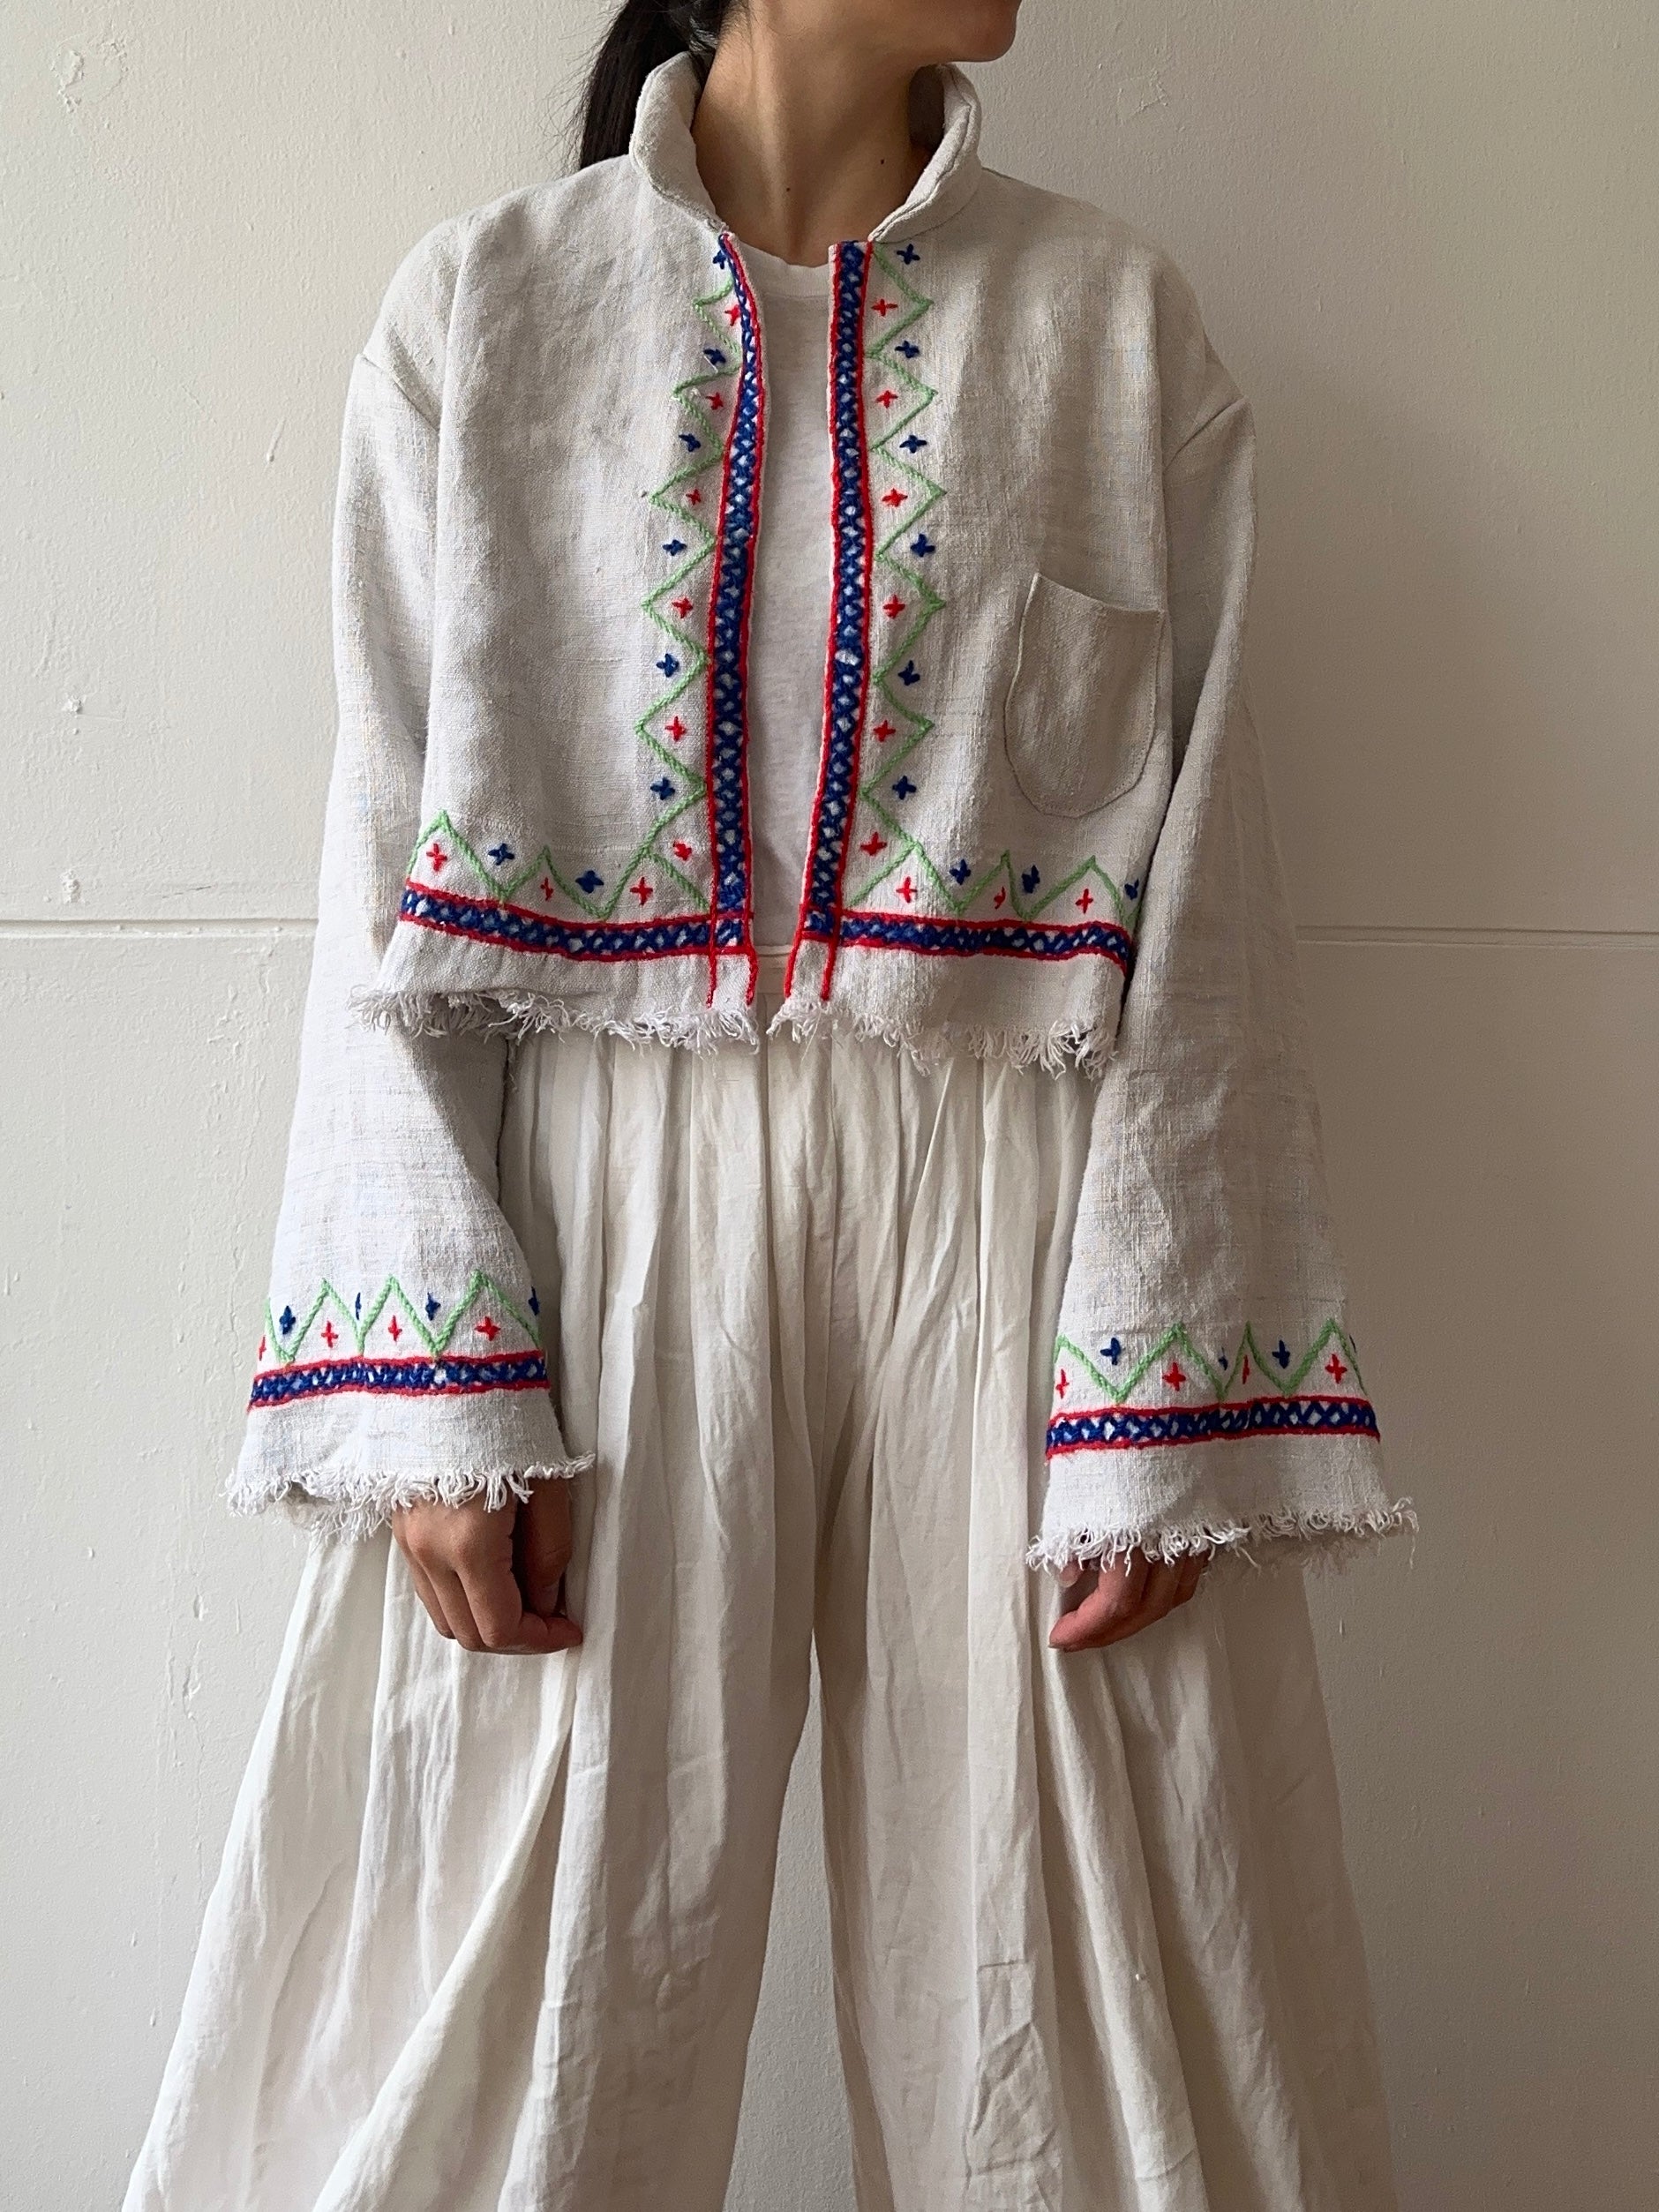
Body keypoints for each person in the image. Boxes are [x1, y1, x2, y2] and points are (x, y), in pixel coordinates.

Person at [125, 1, 1416, 2204]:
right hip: (598, 1193)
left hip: (1020, 1200)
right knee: (514, 1977)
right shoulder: (490, 308)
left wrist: (1164, 1385)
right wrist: (437, 1380)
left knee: (1073, 1973)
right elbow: (375, 869)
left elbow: (1209, 887)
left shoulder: (1108, 324)